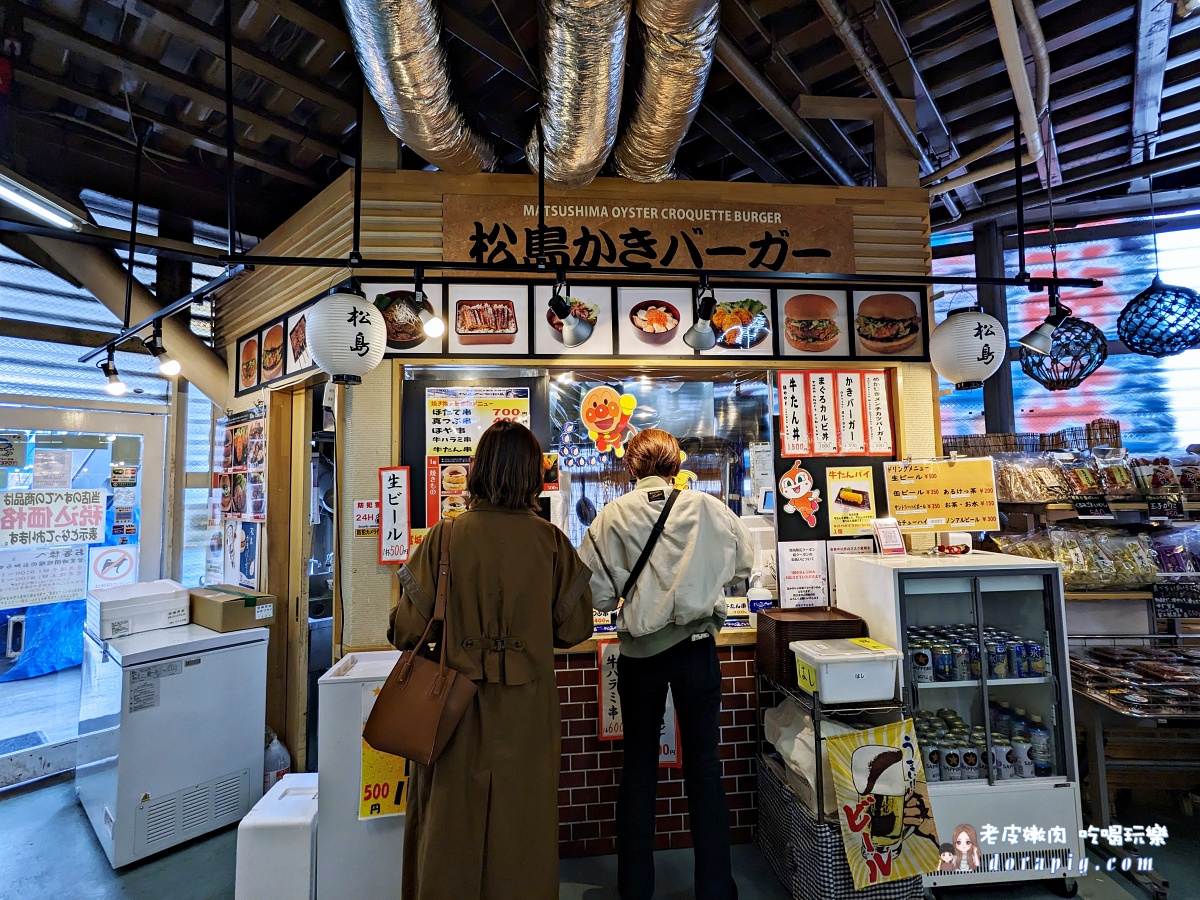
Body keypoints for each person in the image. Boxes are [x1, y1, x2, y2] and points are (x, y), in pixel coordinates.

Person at [388, 420, 594, 900]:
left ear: (478, 471)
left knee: (450, 822)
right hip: (528, 711)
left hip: (453, 707)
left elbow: (409, 630)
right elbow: (575, 629)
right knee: (524, 824)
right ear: (530, 475)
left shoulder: (445, 537)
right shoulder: (552, 542)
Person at [580, 428, 753, 900]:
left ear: (631, 467)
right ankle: (716, 889)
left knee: (638, 768)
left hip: (640, 655)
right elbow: (743, 567)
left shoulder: (612, 516)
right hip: (698, 649)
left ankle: (635, 888)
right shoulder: (709, 508)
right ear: (676, 464)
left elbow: (593, 593)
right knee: (704, 768)